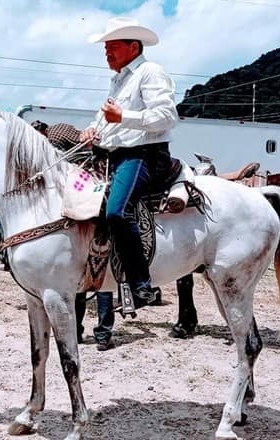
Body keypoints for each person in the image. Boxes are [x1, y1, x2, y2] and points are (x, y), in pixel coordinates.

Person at [80, 17, 178, 311]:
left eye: (112, 47)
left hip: (143, 154)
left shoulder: (151, 72)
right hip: (116, 154)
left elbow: (167, 116)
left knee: (117, 212)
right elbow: (108, 119)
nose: (106, 53)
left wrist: (124, 117)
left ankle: (141, 283)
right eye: (105, 47)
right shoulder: (120, 78)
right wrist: (91, 130)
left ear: (133, 47)